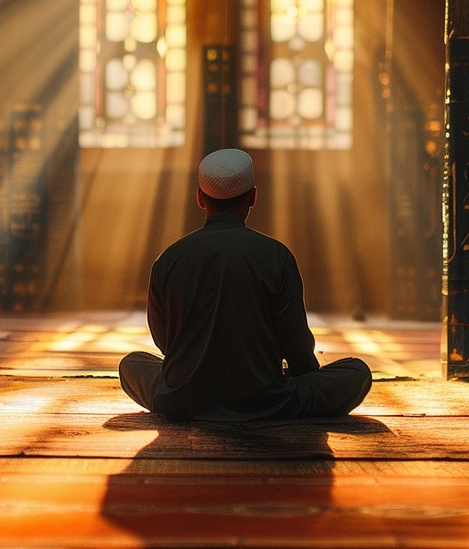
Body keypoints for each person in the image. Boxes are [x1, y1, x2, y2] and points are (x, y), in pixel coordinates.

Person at [118, 148, 373, 421]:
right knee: (357, 372)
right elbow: (295, 342)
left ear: (200, 199)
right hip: (266, 401)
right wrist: (301, 377)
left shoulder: (169, 259)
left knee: (131, 365)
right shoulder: (276, 255)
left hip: (182, 399)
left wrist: (193, 372)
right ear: (253, 197)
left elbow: (165, 342)